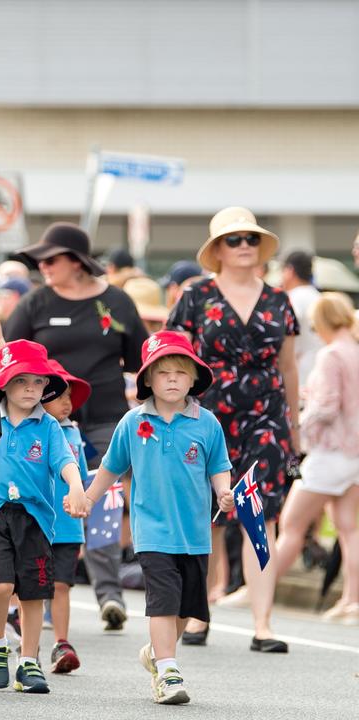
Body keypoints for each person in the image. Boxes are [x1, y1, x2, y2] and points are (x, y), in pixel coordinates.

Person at [6, 222, 150, 631]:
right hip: (45, 421)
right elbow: (10, 359)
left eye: (52, 260)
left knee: (101, 502)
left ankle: (109, 596)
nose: (44, 267)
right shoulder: (36, 303)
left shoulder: (117, 302)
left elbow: (140, 362)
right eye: (41, 261)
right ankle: (42, 596)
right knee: (47, 501)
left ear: (77, 262)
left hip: (105, 416)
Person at [166, 207, 297, 652]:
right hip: (204, 417)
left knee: (259, 516)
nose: (244, 246)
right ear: (217, 249)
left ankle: (263, 624)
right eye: (234, 239)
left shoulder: (280, 299)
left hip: (266, 418)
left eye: (251, 239)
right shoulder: (195, 295)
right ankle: (199, 613)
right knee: (205, 516)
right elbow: (170, 359)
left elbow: (288, 366)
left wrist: (294, 430)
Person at [85, 331, 234, 705]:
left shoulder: (207, 423)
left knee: (188, 608)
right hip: (151, 531)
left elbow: (219, 466)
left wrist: (223, 491)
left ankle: (156, 652)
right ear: (147, 379)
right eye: (162, 372)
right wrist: (87, 499)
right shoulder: (133, 422)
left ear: (193, 380)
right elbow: (111, 467)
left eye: (180, 373)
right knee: (164, 601)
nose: (171, 379)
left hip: (195, 533)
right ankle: (168, 671)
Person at [0, 340, 87, 695]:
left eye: (38, 382)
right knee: (1, 585)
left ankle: (28, 661)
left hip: (36, 516)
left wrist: (76, 486)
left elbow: (65, 461)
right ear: (4, 383)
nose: (30, 389)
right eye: (21, 380)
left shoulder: (49, 426)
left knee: (33, 593)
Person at [274, 293, 359, 623]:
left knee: (292, 523)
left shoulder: (331, 355)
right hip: (354, 452)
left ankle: (259, 588)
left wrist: (299, 420)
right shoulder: (353, 350)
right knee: (348, 528)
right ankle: (352, 601)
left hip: (329, 452)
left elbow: (326, 406)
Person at [39, 359, 92, 674]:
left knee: (61, 585)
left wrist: (82, 526)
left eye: (69, 396)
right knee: (25, 585)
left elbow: (83, 481)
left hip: (68, 527)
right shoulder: (30, 429)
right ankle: (18, 638)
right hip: (33, 522)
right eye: (59, 395)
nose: (67, 403)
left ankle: (61, 641)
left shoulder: (73, 433)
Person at [280, 250, 322, 384]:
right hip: (320, 370)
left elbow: (285, 335)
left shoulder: (293, 298)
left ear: (289, 270)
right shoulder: (318, 296)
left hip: (301, 375)